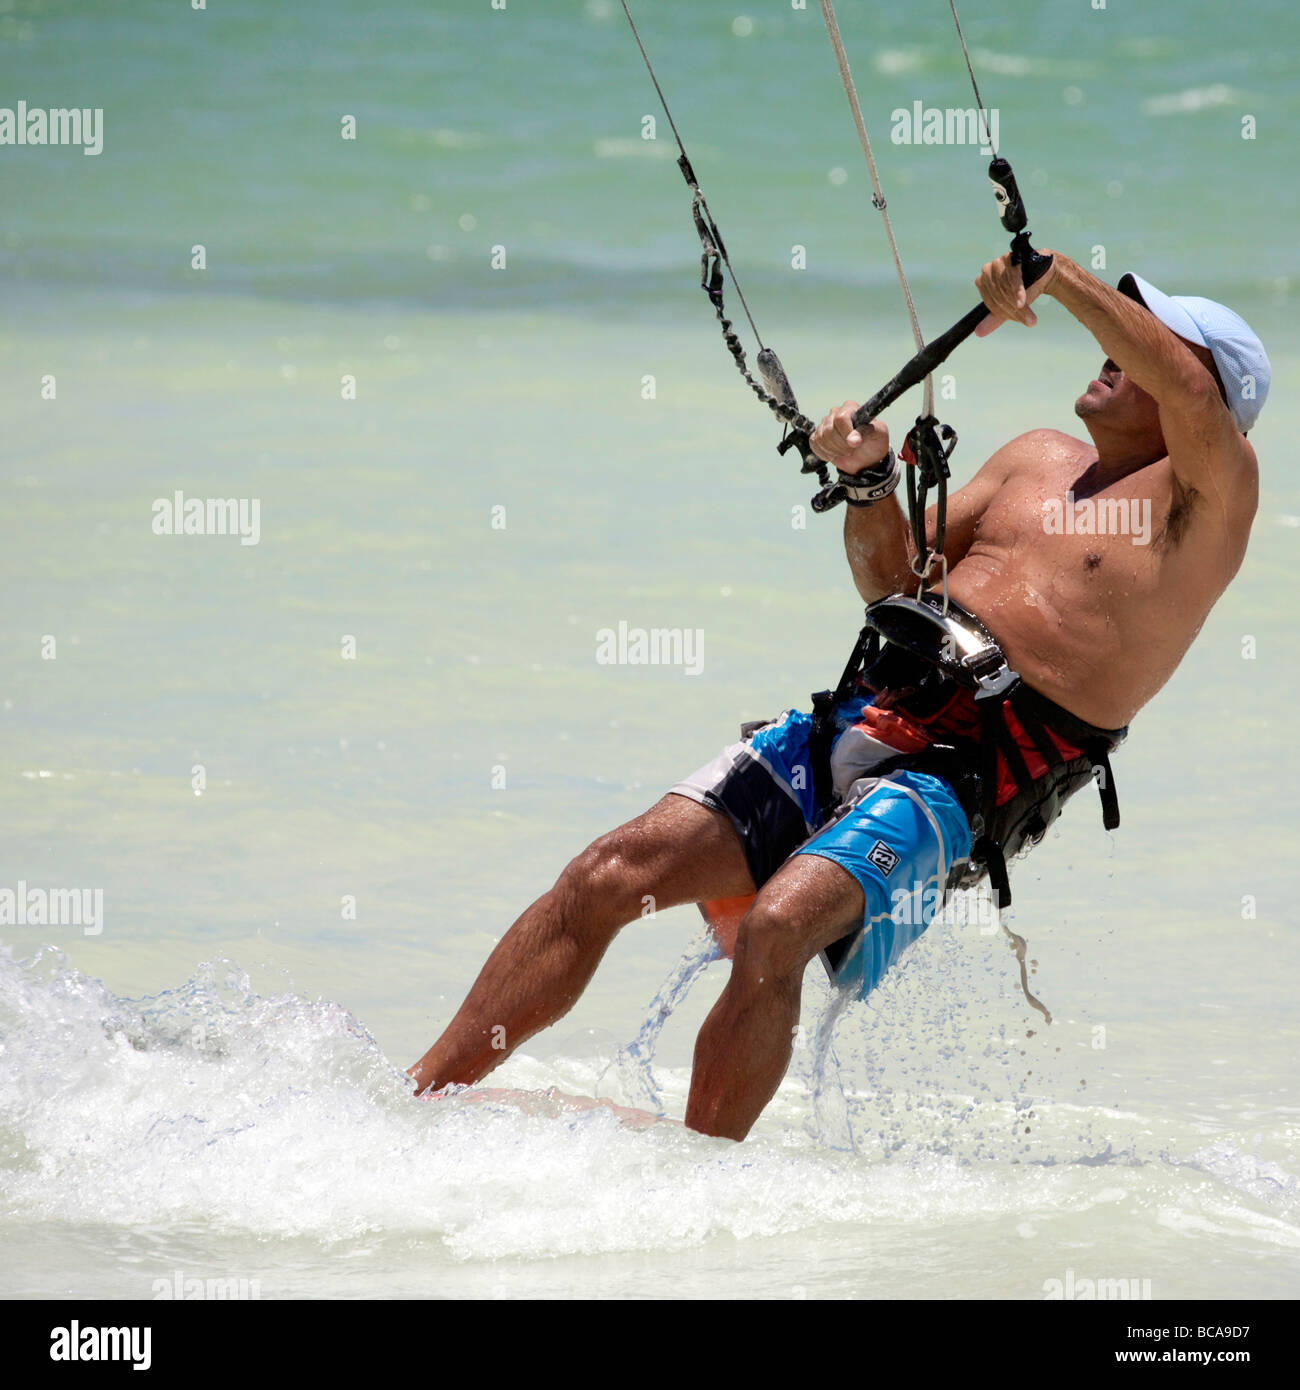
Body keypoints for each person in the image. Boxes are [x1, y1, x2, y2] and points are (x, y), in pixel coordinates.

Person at [408, 250, 1269, 1141]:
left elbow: (1198, 407)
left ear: (1194, 382)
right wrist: (869, 482)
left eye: (1152, 337)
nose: (1115, 346)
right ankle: (415, 1101)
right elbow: (893, 578)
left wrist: (1056, 276)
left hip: (968, 775)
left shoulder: (1208, 499)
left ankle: (694, 1183)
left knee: (777, 928)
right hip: (864, 711)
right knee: (605, 874)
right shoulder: (1034, 459)